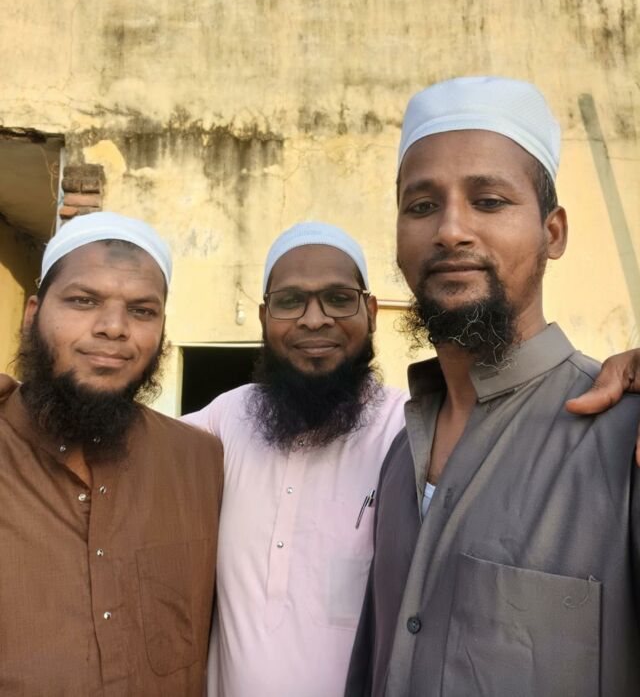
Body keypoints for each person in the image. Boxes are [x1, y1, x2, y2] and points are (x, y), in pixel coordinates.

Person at [346, 76, 640, 697]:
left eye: (488, 201)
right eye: (421, 206)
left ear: (552, 233)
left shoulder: (624, 440)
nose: (451, 230)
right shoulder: (400, 459)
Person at [0, 212, 223, 696]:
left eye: (142, 311)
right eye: (83, 301)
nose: (114, 328)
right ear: (32, 313)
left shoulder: (199, 462)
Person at [183, 222, 408, 697]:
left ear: (370, 312)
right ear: (264, 317)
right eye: (290, 302)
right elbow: (130, 441)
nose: (314, 319)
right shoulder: (227, 417)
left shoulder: (409, 428)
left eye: (338, 298)